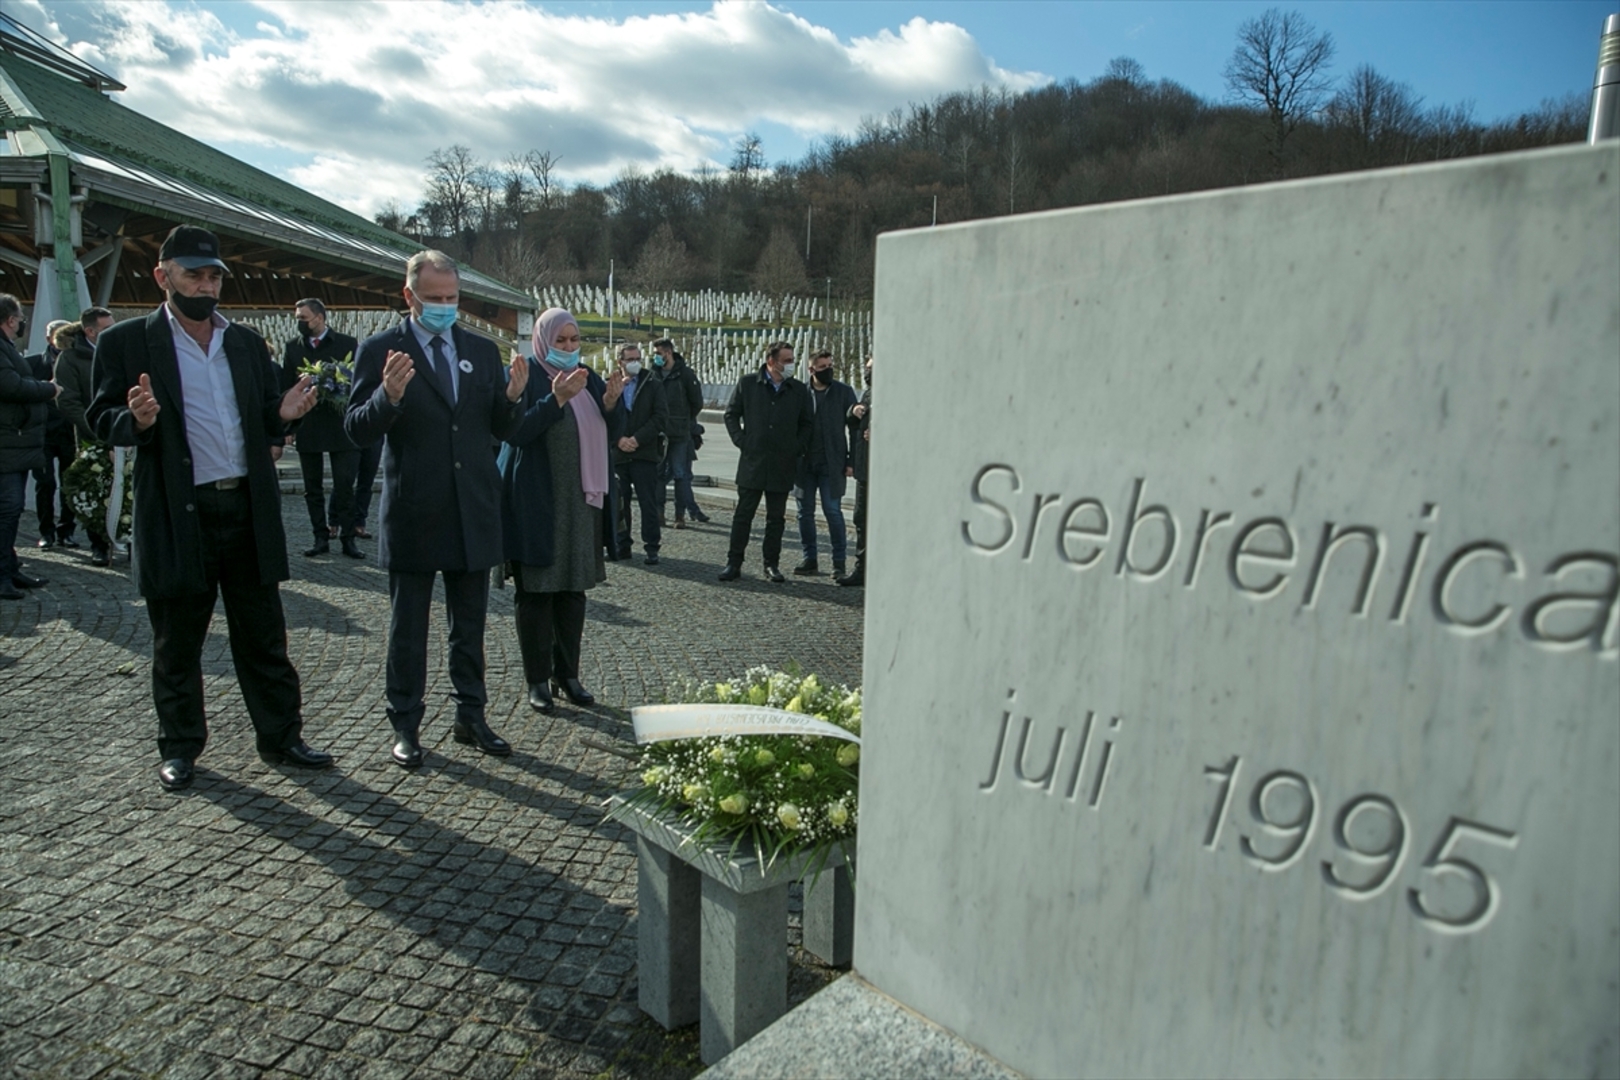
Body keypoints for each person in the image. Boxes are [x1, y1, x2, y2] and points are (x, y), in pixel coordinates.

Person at [85, 225, 333, 791]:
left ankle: (282, 736)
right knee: (177, 641)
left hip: (245, 509)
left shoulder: (244, 342)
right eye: (193, 273)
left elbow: (263, 413)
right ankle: (179, 747)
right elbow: (101, 419)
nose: (206, 283)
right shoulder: (126, 343)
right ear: (163, 276)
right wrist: (138, 422)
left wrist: (285, 411)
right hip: (178, 511)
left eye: (214, 274)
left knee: (264, 635)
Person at [345, 249, 529, 769]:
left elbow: (500, 428)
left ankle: (471, 715)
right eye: (435, 299)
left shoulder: (479, 348)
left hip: (472, 508)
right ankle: (405, 723)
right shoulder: (381, 350)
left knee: (469, 624)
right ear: (409, 296)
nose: (446, 307)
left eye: (452, 298)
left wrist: (512, 399)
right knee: (409, 626)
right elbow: (356, 427)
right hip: (415, 511)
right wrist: (389, 395)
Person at [500, 308, 624, 713]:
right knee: (536, 594)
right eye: (561, 341)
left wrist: (609, 402)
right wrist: (556, 399)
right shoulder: (527, 375)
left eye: (575, 340)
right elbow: (515, 432)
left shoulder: (586, 376)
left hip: (581, 504)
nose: (570, 348)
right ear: (543, 341)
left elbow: (612, 430)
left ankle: (567, 673)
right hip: (537, 502)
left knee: (573, 592)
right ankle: (537, 679)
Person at [719, 341, 812, 583]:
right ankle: (734, 562)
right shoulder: (749, 383)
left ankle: (771, 564)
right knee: (743, 515)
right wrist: (742, 440)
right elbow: (731, 414)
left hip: (783, 462)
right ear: (771, 361)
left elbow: (807, 424)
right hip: (754, 460)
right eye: (787, 360)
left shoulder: (798, 389)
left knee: (776, 519)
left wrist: (796, 447)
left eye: (792, 359)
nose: (791, 364)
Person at [282, 298, 363, 559]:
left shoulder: (346, 344)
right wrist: (288, 427)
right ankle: (320, 537)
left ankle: (348, 538)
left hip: (340, 425)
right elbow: (286, 387)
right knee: (312, 486)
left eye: (303, 318)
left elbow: (358, 382)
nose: (300, 323)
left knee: (344, 485)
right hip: (309, 424)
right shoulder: (292, 348)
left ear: (319, 317)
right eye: (297, 318)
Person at [0, 294, 54, 601]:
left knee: (12, 510)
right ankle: (2, 575)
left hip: (14, 443)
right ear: (10, 320)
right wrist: (49, 388)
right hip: (7, 444)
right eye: (21, 318)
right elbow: (11, 385)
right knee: (7, 511)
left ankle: (10, 567)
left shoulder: (6, 346)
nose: (23, 323)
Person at [54, 307, 116, 565]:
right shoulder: (70, 359)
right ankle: (99, 544)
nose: (113, 332)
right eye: (106, 329)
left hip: (123, 431)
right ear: (90, 332)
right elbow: (68, 401)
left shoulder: (119, 350)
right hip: (91, 436)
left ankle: (130, 541)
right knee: (97, 489)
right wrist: (95, 429)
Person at [792, 349, 857, 578]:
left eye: (830, 365)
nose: (828, 370)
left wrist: (852, 461)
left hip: (832, 463)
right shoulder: (799, 392)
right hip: (804, 463)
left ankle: (839, 563)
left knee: (833, 512)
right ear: (811, 370)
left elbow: (854, 428)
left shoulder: (843, 392)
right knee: (804, 513)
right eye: (823, 367)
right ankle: (810, 559)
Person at [610, 341, 667, 565]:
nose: (634, 363)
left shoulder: (653, 382)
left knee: (648, 502)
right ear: (619, 361)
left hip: (645, 452)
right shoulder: (611, 383)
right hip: (619, 453)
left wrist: (636, 439)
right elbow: (604, 414)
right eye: (629, 359)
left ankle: (652, 547)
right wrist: (619, 439)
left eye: (637, 359)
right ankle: (621, 545)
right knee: (619, 502)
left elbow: (660, 417)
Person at [27, 321, 78, 550]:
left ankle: (66, 531)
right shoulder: (34, 363)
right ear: (49, 339)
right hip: (43, 434)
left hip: (69, 433)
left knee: (70, 483)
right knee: (45, 483)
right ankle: (45, 532)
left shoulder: (76, 362)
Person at [652, 338, 707, 527]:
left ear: (668, 353)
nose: (656, 357)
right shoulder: (653, 373)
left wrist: (684, 419)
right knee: (659, 474)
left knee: (680, 473)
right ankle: (659, 513)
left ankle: (679, 515)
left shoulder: (685, 374)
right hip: (659, 432)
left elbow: (696, 402)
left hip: (680, 432)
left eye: (658, 353)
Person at [839, 358, 872, 587]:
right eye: (867, 368)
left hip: (885, 471)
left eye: (872, 368)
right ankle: (862, 569)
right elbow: (853, 423)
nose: (868, 372)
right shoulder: (869, 393)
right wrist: (853, 410)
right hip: (864, 468)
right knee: (860, 519)